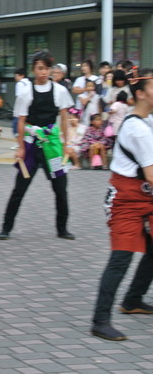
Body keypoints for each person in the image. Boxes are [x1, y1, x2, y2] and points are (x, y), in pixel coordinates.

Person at [92, 68, 153, 341]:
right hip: (126, 199)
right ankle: (99, 320)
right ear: (140, 93)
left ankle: (133, 300)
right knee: (121, 258)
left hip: (146, 194)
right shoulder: (137, 128)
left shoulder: (149, 120)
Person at [0, 51, 74, 241]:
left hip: (52, 146)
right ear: (34, 69)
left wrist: (67, 143)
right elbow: (21, 120)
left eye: (47, 68)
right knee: (19, 188)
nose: (43, 72)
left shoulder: (59, 91)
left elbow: (64, 118)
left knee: (60, 188)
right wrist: (20, 146)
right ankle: (6, 227)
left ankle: (62, 228)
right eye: (40, 68)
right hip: (31, 145)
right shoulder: (26, 90)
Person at [12, 68, 31, 149]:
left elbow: (20, 96)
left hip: (19, 109)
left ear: (21, 75)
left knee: (16, 127)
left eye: (16, 75)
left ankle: (19, 144)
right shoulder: (29, 83)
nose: (15, 77)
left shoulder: (20, 84)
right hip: (28, 109)